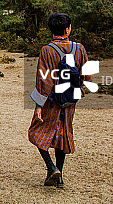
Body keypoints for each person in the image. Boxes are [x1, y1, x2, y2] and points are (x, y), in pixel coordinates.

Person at [28, 12, 88, 188]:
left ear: (51, 30)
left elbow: (43, 81)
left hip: (51, 100)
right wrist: (77, 92)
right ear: (67, 29)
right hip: (69, 102)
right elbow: (86, 76)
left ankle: (52, 167)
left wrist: (39, 106)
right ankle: (58, 177)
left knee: (36, 132)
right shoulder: (79, 49)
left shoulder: (47, 50)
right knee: (63, 135)